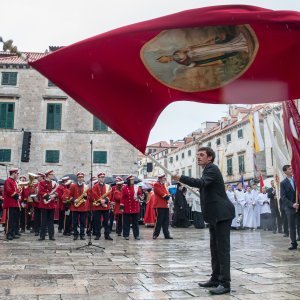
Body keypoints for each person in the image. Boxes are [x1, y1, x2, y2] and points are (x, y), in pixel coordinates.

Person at [172, 147, 235, 295]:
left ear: (210, 157)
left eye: (202, 155)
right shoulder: (207, 169)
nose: (198, 157)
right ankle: (215, 278)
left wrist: (181, 177)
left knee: (222, 250)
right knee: (214, 248)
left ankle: (225, 283)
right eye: (197, 155)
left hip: (222, 214)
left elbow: (200, 183)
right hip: (215, 215)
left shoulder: (211, 169)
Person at [280, 165, 299, 250]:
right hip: (290, 208)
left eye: (291, 168)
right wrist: (292, 205)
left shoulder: (297, 180)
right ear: (285, 172)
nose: (291, 170)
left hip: (299, 206)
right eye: (289, 169)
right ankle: (293, 243)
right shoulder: (283, 183)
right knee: (292, 227)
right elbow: (283, 197)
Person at [92, 172, 113, 241]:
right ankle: (97, 235)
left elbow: (110, 195)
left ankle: (107, 235)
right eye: (101, 177)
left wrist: (105, 200)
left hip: (105, 206)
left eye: (103, 177)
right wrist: (101, 200)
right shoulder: (95, 186)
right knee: (97, 221)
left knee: (106, 222)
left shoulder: (107, 186)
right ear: (98, 178)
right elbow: (94, 194)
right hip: (97, 206)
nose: (102, 178)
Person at [120, 175, 142, 240]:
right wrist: (121, 208)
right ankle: (126, 235)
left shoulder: (137, 187)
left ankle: (136, 235)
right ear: (128, 181)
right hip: (127, 207)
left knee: (135, 223)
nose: (133, 181)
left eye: (133, 179)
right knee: (126, 222)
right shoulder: (124, 188)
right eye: (131, 180)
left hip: (135, 207)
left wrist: (138, 197)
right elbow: (122, 198)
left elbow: (140, 195)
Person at [38, 169, 57, 241]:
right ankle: (42, 236)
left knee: (51, 221)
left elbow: (57, 192)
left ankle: (51, 236)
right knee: (43, 221)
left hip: (51, 204)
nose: (53, 175)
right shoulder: (42, 183)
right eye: (51, 174)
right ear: (48, 175)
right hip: (44, 204)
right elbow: (40, 192)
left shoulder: (54, 183)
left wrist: (54, 196)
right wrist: (48, 196)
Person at [153, 174, 173, 239]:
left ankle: (166, 234)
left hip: (165, 205)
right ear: (160, 178)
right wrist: (167, 197)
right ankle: (155, 234)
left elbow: (166, 192)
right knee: (159, 220)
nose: (164, 179)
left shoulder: (163, 185)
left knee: (166, 221)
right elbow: (160, 193)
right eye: (163, 178)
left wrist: (169, 196)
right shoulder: (156, 184)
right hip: (159, 205)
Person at [3, 168, 21, 240]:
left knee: (14, 219)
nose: (17, 175)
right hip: (10, 203)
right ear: (13, 173)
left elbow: (16, 190)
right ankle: (8, 233)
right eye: (17, 174)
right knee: (10, 220)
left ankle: (13, 232)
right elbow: (8, 190)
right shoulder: (8, 181)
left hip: (15, 203)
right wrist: (17, 195)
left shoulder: (14, 181)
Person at [70, 172, 88, 240]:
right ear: (77, 178)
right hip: (75, 206)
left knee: (83, 222)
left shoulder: (85, 186)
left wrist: (86, 196)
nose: (80, 179)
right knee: (75, 222)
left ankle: (82, 234)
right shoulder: (73, 186)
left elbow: (87, 198)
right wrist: (74, 200)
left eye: (82, 177)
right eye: (79, 177)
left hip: (83, 206)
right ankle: (75, 234)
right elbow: (70, 196)